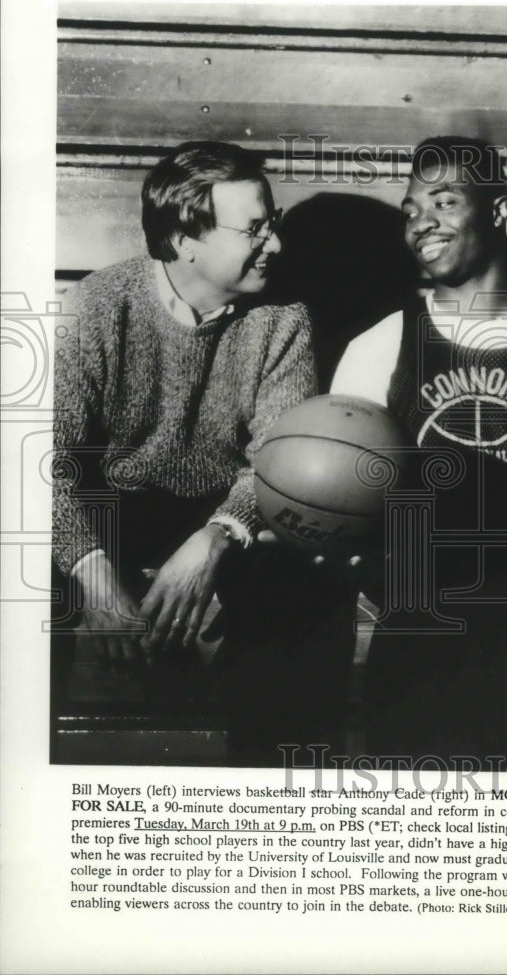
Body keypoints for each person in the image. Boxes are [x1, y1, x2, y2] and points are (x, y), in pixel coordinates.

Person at [53, 140, 356, 765]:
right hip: (111, 519)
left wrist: (218, 535)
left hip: (221, 520)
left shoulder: (282, 318)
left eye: (272, 223)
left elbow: (278, 461)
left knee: (306, 595)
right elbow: (39, 464)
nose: (275, 243)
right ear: (185, 239)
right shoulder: (96, 307)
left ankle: (276, 796)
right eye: (255, 229)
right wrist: (90, 570)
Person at [332, 136, 507, 769]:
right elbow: (338, 497)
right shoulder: (381, 343)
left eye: (444, 201)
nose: (421, 224)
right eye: (410, 210)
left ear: (495, 210)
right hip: (424, 634)